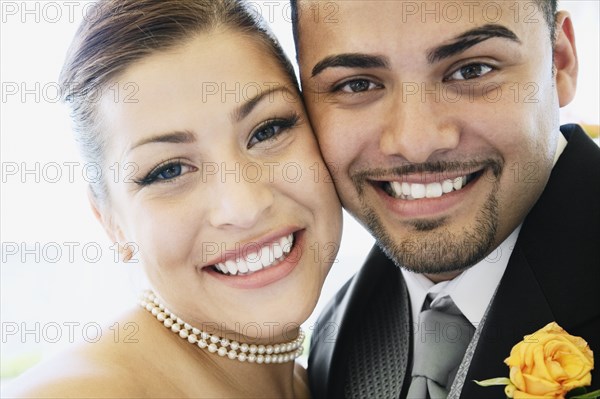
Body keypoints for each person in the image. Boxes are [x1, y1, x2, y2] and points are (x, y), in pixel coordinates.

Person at [4, 1, 342, 397]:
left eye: (267, 131)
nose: (244, 206)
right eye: (168, 171)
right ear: (109, 220)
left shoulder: (329, 375)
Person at [290, 0, 600, 398]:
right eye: (357, 84)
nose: (416, 144)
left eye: (471, 70)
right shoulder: (334, 337)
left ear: (560, 62)